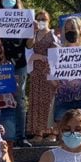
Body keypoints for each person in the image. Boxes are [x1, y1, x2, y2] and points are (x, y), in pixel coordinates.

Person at [0, 0, 30, 143]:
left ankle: (20, 136)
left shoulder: (25, 17)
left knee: (19, 98)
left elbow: (29, 45)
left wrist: (34, 32)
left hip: (19, 63)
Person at [26, 11, 58, 144]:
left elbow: (57, 53)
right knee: (36, 101)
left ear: (49, 20)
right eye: (38, 19)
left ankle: (51, 132)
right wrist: (33, 32)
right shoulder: (33, 34)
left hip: (49, 72)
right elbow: (28, 47)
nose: (41, 21)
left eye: (44, 19)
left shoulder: (53, 34)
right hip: (36, 73)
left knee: (49, 101)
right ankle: (38, 132)